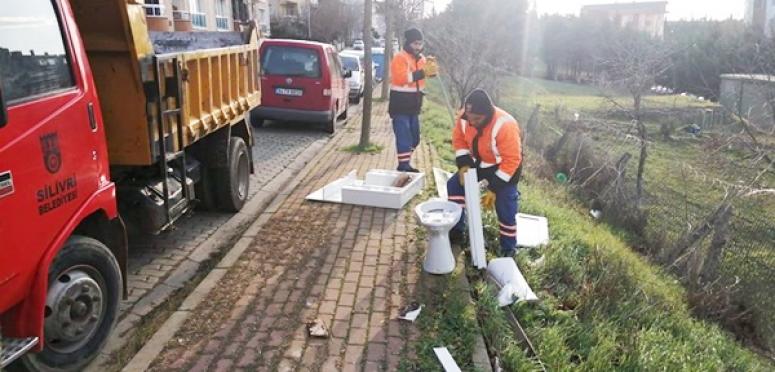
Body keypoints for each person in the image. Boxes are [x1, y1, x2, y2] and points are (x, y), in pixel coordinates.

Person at [446, 89, 523, 257]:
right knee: (454, 185)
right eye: (469, 118)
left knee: (506, 205)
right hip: (480, 163)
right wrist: (464, 164)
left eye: (477, 119)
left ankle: (508, 249)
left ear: (487, 114)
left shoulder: (505, 125)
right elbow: (459, 140)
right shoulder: (465, 116)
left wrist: (494, 188)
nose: (471, 122)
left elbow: (512, 160)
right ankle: (457, 231)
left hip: (505, 167)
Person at [388, 28, 438, 172]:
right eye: (415, 43)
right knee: (404, 136)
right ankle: (403, 166)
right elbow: (402, 78)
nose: (418, 47)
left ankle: (405, 161)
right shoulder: (400, 58)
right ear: (409, 43)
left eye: (420, 44)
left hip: (415, 106)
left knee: (414, 139)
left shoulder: (422, 59)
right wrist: (423, 72)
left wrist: (431, 71)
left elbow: (423, 76)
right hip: (400, 105)